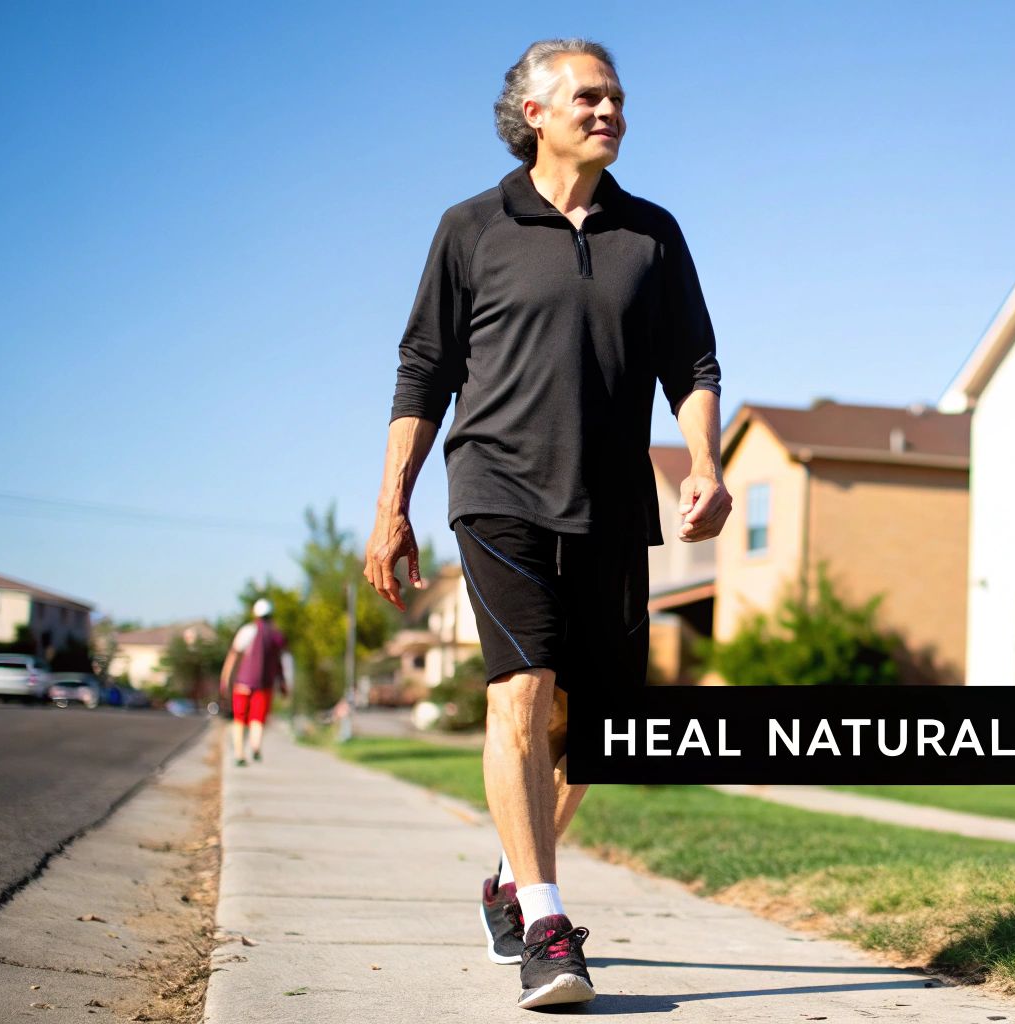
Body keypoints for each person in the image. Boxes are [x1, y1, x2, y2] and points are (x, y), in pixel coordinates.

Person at [362, 38, 730, 1010]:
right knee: (520, 691)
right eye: (587, 95)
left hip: (612, 504)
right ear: (534, 112)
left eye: (615, 96)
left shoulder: (651, 234)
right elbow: (422, 373)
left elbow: (691, 364)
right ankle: (545, 922)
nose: (608, 109)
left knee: (595, 733)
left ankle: (509, 871)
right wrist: (390, 504)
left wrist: (705, 462)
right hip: (497, 494)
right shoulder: (470, 228)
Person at [219, 598, 290, 767]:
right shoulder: (276, 636)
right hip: (263, 685)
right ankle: (255, 746)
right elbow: (281, 662)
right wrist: (283, 683)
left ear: (255, 614)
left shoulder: (247, 631)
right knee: (257, 718)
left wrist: (225, 679)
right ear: (271, 615)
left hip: (242, 684)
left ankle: (238, 754)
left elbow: (233, 656)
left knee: (239, 719)